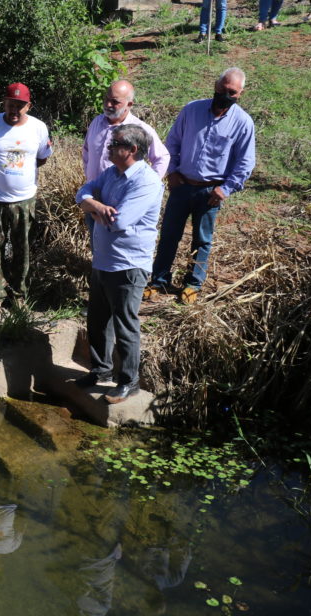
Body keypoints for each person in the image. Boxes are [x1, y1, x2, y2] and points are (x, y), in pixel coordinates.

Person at [144, 68, 256, 305]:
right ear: (215, 85)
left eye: (231, 92)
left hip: (211, 193)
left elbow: (245, 163)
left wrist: (225, 189)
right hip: (181, 185)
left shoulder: (243, 123)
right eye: (221, 88)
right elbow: (172, 142)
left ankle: (193, 283)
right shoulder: (191, 110)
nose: (225, 93)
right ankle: (159, 280)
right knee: (168, 235)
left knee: (202, 239)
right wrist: (171, 171)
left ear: (240, 93)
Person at [74, 124, 164, 403]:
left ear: (132, 150)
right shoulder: (113, 173)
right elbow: (83, 193)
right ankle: (101, 371)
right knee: (97, 320)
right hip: (103, 260)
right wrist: (97, 206)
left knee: (125, 324)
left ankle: (129, 381)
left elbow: (121, 221)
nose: (109, 148)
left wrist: (96, 208)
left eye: (115, 145)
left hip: (128, 265)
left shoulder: (147, 182)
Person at [0, 82, 52, 318]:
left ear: (29, 106)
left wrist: (20, 174)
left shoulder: (38, 128)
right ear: (3, 103)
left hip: (24, 199)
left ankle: (19, 295)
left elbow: (42, 158)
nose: (14, 109)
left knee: (22, 248)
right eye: (10, 104)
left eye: (19, 105)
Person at [82, 81, 168, 250]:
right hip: (94, 198)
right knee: (97, 244)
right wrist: (90, 178)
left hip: (120, 202)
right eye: (106, 99)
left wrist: (147, 186)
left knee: (116, 247)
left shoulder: (139, 130)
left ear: (129, 104)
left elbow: (162, 157)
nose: (108, 104)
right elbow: (86, 151)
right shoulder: (96, 122)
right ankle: (98, 272)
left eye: (115, 101)